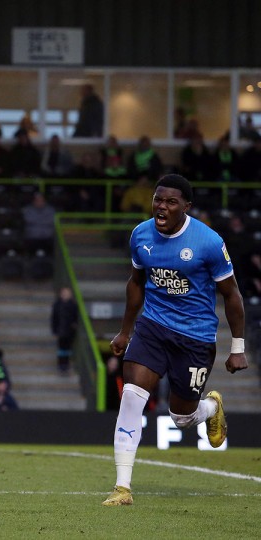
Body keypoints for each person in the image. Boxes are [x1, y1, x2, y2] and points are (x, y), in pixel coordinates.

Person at [102, 174, 249, 507]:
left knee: (181, 417)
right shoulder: (140, 235)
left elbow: (232, 294)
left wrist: (237, 348)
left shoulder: (208, 242)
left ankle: (211, 407)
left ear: (186, 206)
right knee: (131, 396)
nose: (162, 207)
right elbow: (136, 282)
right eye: (158, 199)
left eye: (170, 202)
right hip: (152, 327)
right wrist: (126, 331)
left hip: (195, 336)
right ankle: (122, 487)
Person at [50, 286, 78, 374]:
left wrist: (74, 325)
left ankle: (66, 364)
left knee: (67, 348)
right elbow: (54, 318)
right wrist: (55, 329)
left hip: (69, 331)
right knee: (61, 348)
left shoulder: (73, 305)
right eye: (64, 293)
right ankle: (61, 364)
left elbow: (75, 317)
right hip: (61, 330)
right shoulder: (57, 305)